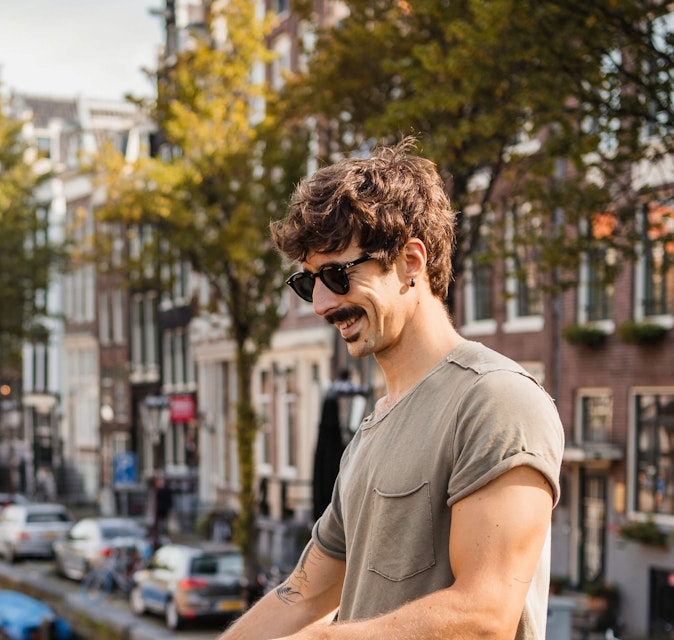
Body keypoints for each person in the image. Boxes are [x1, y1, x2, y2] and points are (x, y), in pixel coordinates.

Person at [221, 141, 564, 639]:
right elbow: (306, 592)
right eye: (308, 282)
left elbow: (484, 616)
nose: (320, 304)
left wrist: (319, 638)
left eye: (337, 275)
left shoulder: (497, 401)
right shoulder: (370, 431)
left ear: (410, 261)